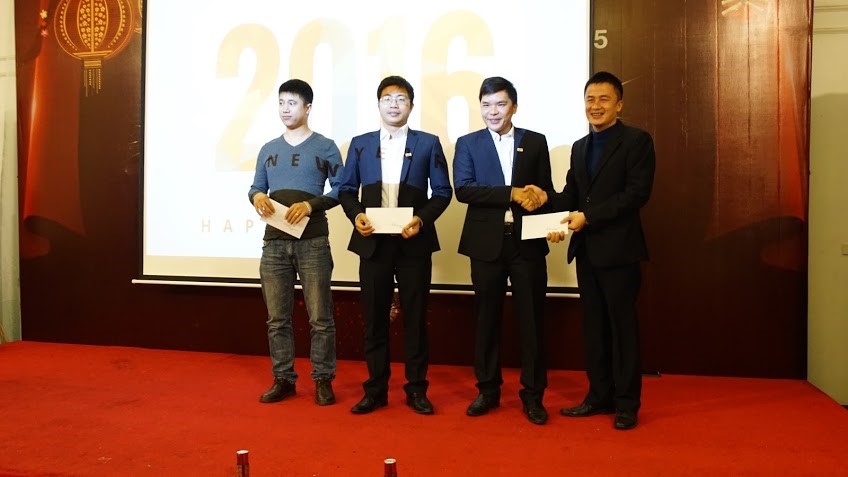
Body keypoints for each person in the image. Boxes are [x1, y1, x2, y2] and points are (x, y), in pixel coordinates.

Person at [537, 71, 655, 430]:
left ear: (619, 104)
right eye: (590, 99)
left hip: (620, 252)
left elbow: (636, 194)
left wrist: (588, 217)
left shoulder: (637, 141)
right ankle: (599, 396)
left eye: (604, 99)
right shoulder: (580, 147)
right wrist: (544, 201)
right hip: (587, 252)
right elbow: (571, 196)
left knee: (622, 329)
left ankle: (627, 404)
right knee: (594, 329)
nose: (596, 106)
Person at [338, 76, 452, 415]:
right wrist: (356, 215)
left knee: (414, 320)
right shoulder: (360, 144)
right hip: (373, 244)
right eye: (387, 98)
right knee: (374, 320)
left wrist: (422, 219)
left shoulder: (428, 144)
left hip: (413, 243)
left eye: (401, 98)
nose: (394, 104)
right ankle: (375, 390)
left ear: (411, 106)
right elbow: (346, 189)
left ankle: (416, 390)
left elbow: (442, 192)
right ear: (378, 104)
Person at [452, 76, 553, 425]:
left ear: (514, 107)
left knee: (532, 322)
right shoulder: (467, 143)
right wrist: (511, 193)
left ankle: (533, 395)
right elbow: (464, 190)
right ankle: (488, 390)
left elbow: (544, 191)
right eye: (486, 105)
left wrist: (542, 202)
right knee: (486, 320)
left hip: (527, 244)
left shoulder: (535, 141)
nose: (492, 111)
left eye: (500, 104)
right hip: (485, 244)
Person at [249, 79, 344, 406]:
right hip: (274, 244)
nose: (285, 109)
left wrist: (310, 205)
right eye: (281, 103)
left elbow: (342, 189)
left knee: (320, 318)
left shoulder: (325, 146)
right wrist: (257, 196)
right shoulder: (268, 148)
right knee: (277, 319)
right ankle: (284, 379)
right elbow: (255, 187)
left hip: (313, 241)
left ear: (308, 107)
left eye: (292, 103)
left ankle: (323, 379)